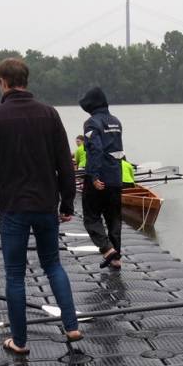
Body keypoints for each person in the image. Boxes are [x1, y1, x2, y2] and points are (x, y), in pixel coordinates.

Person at [0, 57, 81, 353]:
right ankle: (71, 326)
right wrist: (67, 203)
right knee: (53, 264)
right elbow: (64, 164)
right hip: (45, 203)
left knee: (15, 274)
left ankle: (19, 341)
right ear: (25, 81)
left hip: (14, 206)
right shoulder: (50, 114)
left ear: (2, 82)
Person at [78, 86, 124, 270]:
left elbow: (96, 150)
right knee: (114, 218)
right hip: (115, 177)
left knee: (91, 217)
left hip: (99, 178)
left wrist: (95, 176)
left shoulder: (91, 123)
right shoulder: (116, 121)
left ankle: (106, 248)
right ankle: (116, 258)